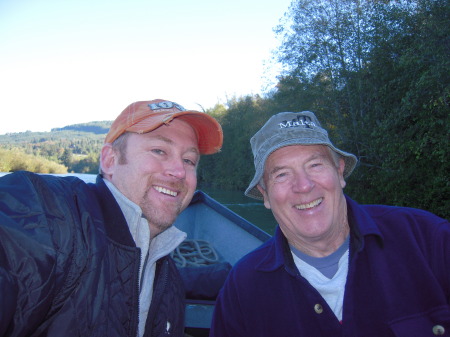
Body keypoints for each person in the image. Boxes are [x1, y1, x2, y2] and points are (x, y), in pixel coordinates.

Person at [210, 111, 449, 337]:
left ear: (340, 172)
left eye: (315, 165)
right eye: (281, 174)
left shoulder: (429, 241)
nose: (303, 186)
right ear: (265, 194)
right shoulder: (242, 289)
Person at [0, 99, 223, 337]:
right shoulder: (45, 212)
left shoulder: (169, 284)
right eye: (159, 150)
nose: (179, 171)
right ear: (110, 160)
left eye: (189, 160)